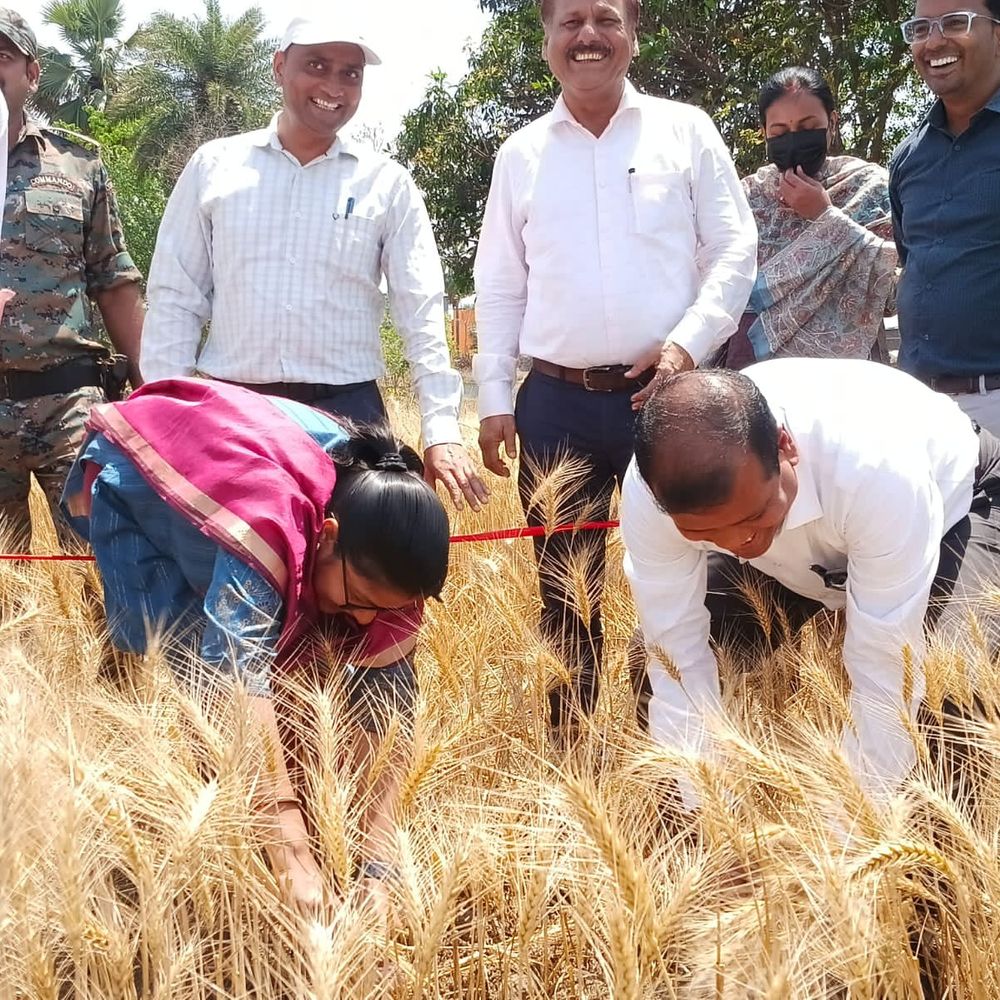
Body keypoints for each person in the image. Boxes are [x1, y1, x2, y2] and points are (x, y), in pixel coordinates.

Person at [61, 377, 450, 915]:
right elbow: (234, 678)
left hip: (258, 476)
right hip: (156, 482)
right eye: (359, 600)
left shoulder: (391, 563)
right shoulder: (267, 528)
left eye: (381, 609)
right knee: (200, 685)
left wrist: (379, 865)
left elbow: (389, 713)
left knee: (296, 704)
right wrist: (291, 851)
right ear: (327, 536)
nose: (366, 619)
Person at [473, 0, 757, 736]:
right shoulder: (520, 155)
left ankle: (666, 742)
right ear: (546, 37)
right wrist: (495, 398)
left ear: (633, 32)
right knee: (565, 595)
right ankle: (573, 750)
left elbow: (735, 250)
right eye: (570, 22)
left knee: (687, 578)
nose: (588, 36)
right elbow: (499, 284)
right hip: (556, 405)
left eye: (605, 18)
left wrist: (685, 345)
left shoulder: (685, 130)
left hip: (671, 398)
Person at [140, 14, 487, 513]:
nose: (333, 86)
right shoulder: (215, 167)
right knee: (243, 557)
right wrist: (164, 416)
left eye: (351, 73)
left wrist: (441, 428)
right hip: (237, 412)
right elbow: (176, 299)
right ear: (280, 66)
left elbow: (421, 310)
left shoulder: (386, 183)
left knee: (350, 560)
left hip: (349, 419)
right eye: (316, 65)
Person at [621, 359, 998, 809]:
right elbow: (676, 653)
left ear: (786, 446)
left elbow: (886, 673)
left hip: (959, 504)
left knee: (951, 691)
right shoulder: (650, 496)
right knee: (653, 664)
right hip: (823, 533)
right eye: (704, 534)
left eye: (753, 516)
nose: (739, 544)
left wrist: (852, 826)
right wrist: (707, 810)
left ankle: (938, 847)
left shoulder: (874, 466)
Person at [1, 8, 144, 548]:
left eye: (2, 57)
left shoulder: (78, 164)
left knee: (99, 565)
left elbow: (114, 280)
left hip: (67, 403)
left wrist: (155, 389)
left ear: (31, 73)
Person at [723, 67, 898, 367]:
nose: (793, 141)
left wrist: (825, 217)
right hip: (754, 370)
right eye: (780, 133)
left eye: (807, 128)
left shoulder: (869, 188)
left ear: (832, 123)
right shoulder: (746, 197)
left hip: (845, 376)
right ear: (764, 133)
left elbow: (896, 294)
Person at [890, 0, 1000, 434]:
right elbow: (911, 259)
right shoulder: (908, 157)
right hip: (919, 411)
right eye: (920, 28)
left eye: (955, 23)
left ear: (997, 34)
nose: (933, 42)